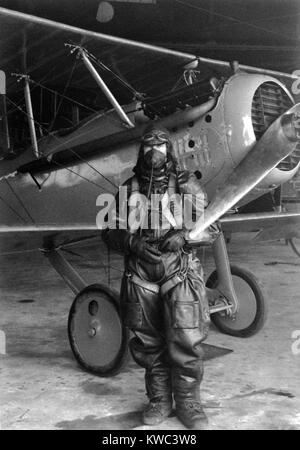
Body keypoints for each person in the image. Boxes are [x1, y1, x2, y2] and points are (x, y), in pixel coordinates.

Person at [102, 125, 214, 429]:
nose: (155, 151)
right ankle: (159, 399)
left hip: (178, 270)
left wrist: (185, 235)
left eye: (161, 145)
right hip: (140, 274)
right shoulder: (128, 189)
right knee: (149, 343)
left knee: (187, 338)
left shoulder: (187, 185)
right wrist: (131, 242)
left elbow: (214, 226)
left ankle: (189, 401)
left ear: (170, 150)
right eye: (149, 146)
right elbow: (108, 232)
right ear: (141, 151)